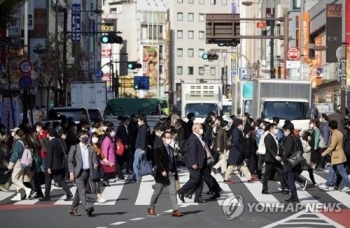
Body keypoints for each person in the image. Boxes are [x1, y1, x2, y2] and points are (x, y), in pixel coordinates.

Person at [148, 131, 182, 217]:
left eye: (170, 137)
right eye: (167, 137)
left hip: (171, 173)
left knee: (173, 192)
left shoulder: (171, 148)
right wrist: (162, 170)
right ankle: (151, 207)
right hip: (162, 174)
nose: (169, 139)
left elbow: (172, 161)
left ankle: (175, 210)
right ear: (163, 138)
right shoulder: (159, 148)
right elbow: (157, 161)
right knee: (157, 192)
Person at [68, 130, 98, 217]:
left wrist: (95, 163)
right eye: (83, 135)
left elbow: (94, 157)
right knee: (82, 190)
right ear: (79, 137)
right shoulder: (75, 147)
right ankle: (87, 207)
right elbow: (70, 161)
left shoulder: (90, 148)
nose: (85, 136)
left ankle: (73, 209)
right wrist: (71, 173)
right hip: (79, 173)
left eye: (86, 135)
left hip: (87, 172)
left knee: (79, 191)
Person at [40, 128, 72, 202]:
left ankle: (47, 195)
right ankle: (69, 193)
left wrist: (48, 167)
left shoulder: (50, 143)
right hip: (60, 164)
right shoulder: (59, 141)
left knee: (48, 180)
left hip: (52, 165)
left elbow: (50, 156)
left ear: (48, 134)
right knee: (61, 179)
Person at [178, 123, 206, 203]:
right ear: (195, 129)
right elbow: (192, 152)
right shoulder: (193, 138)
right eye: (200, 128)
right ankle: (182, 191)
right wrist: (194, 163)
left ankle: (198, 197)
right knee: (195, 178)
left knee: (200, 179)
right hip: (194, 162)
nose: (201, 130)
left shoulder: (199, 137)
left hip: (200, 162)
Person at [319, 120, 350, 192]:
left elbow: (332, 146)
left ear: (330, 127)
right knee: (332, 171)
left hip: (337, 156)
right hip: (339, 155)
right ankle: (328, 184)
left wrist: (324, 153)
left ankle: (348, 185)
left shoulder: (335, 134)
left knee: (342, 171)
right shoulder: (340, 133)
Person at [7, 128, 32, 201]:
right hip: (23, 162)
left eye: (13, 132)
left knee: (14, 179)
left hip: (18, 162)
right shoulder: (22, 141)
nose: (12, 133)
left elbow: (15, 154)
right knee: (19, 179)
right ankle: (19, 195)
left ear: (16, 133)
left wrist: (10, 166)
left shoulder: (18, 142)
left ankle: (26, 189)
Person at [262, 123, 287, 194]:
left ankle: (284, 189)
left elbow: (278, 147)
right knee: (266, 174)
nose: (276, 130)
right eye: (275, 128)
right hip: (270, 159)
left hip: (276, 160)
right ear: (271, 129)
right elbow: (269, 148)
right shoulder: (268, 137)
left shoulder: (275, 137)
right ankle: (264, 189)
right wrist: (275, 155)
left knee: (282, 172)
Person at [282, 122, 303, 202]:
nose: (284, 132)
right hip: (297, 161)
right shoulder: (296, 138)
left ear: (288, 130)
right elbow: (301, 150)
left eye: (284, 130)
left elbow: (287, 151)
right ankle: (294, 196)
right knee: (291, 177)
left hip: (290, 162)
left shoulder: (289, 139)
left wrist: (284, 160)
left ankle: (294, 196)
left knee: (289, 178)